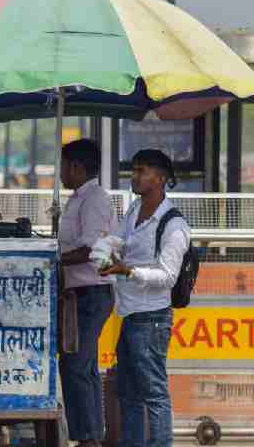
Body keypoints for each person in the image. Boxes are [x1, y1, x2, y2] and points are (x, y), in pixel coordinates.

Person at [100, 149, 190, 447]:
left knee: (153, 392)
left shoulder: (174, 225)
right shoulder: (135, 209)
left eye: (142, 171)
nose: (134, 176)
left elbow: (167, 277)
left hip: (151, 317)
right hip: (130, 313)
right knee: (128, 391)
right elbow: (119, 239)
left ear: (161, 179)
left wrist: (128, 270)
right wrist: (104, 251)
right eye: (134, 170)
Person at [57, 139, 118, 447]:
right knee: (82, 365)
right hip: (79, 292)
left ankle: (87, 437)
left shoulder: (94, 199)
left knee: (76, 365)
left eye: (63, 166)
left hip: (91, 292)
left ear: (77, 167)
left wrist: (53, 259)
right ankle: (91, 434)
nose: (60, 173)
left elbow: (90, 248)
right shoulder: (78, 199)